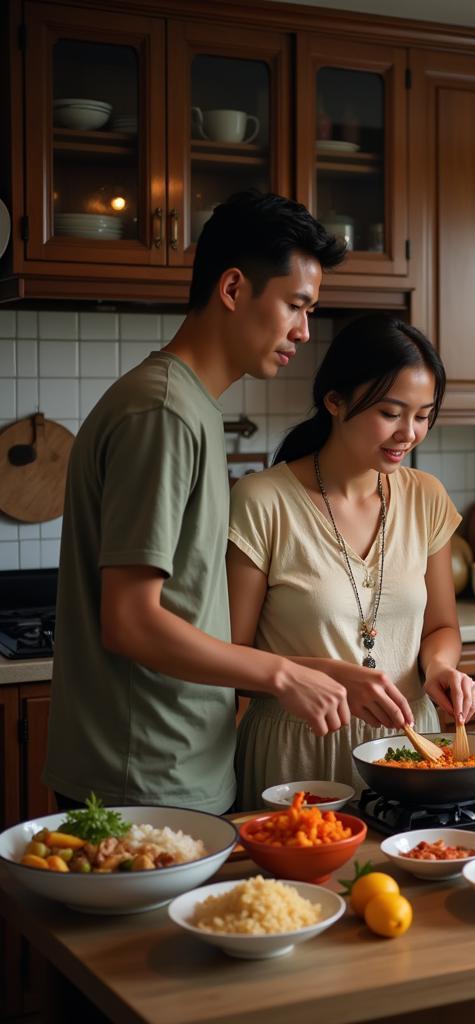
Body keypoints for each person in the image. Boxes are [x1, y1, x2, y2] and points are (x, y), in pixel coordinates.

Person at [43, 190, 351, 814]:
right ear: (234, 289)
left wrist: (321, 669)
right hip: (142, 777)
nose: (304, 330)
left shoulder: (188, 406)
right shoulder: (162, 412)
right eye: (295, 305)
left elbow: (190, 612)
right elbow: (130, 619)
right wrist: (280, 675)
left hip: (174, 766)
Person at [228, 314, 475, 806]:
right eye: (391, 412)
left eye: (424, 415)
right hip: (298, 753)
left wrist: (440, 670)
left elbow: (441, 628)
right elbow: (232, 658)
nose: (409, 433)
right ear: (335, 400)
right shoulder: (263, 500)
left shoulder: (425, 496)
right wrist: (332, 676)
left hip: (408, 748)